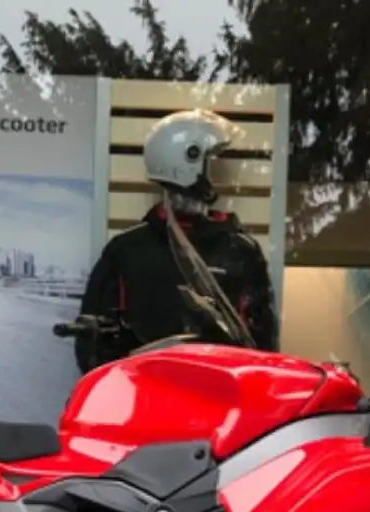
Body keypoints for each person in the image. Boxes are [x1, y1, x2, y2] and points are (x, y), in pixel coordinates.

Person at [75, 109, 278, 371]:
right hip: (149, 403)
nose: (214, 174)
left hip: (215, 403)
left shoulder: (239, 251)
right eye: (209, 162)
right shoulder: (126, 252)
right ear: (189, 162)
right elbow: (92, 349)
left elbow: (263, 352)